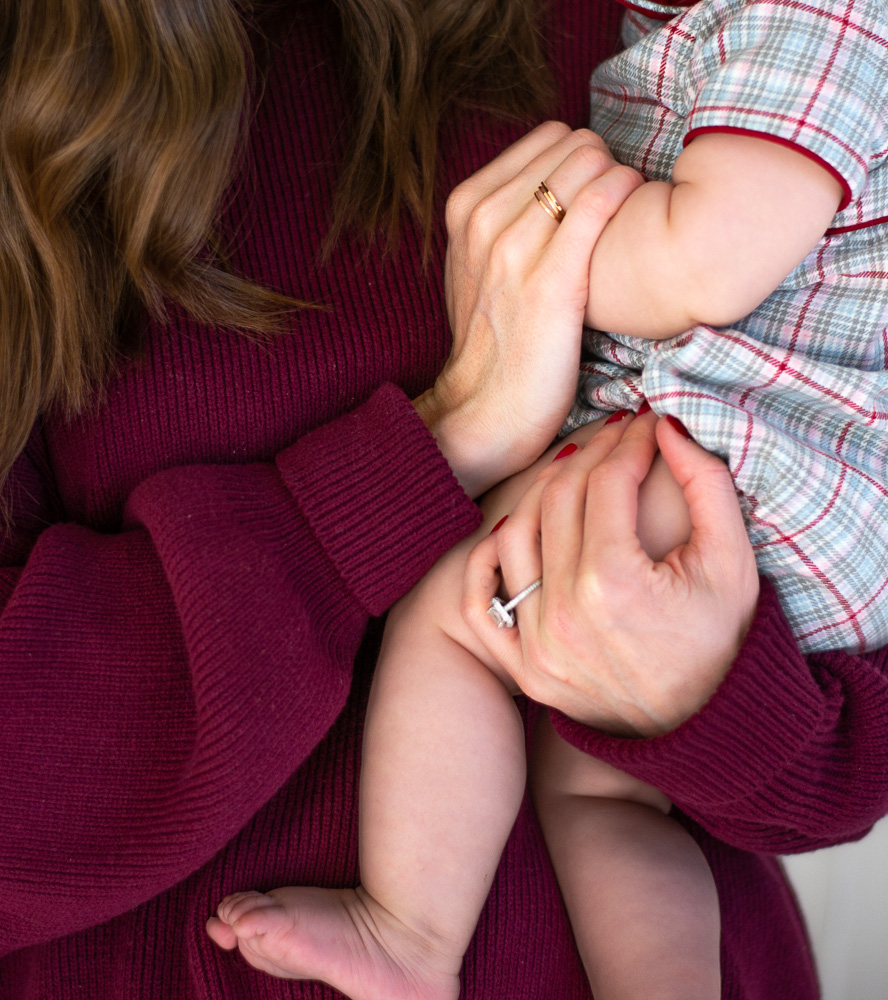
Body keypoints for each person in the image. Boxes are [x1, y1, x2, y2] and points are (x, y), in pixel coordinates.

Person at [0, 3, 885, 1000]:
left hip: (719, 511)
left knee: (472, 628)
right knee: (593, 785)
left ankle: (411, 929)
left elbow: (853, 754)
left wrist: (716, 700)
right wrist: (441, 440)